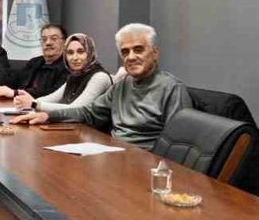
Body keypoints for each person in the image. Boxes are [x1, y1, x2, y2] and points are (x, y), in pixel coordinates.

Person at [12, 23, 191, 151]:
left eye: (138, 50)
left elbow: (177, 146)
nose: (131, 57)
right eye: (125, 52)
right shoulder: (121, 85)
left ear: (155, 53)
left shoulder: (172, 88)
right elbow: (88, 112)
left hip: (145, 161)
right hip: (113, 153)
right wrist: (48, 116)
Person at [14, 33, 113, 113]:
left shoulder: (100, 77)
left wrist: (34, 104)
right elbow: (53, 97)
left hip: (94, 131)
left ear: (90, 53)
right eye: (70, 53)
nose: (75, 57)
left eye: (80, 51)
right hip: (75, 126)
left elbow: (76, 109)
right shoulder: (75, 76)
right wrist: (26, 100)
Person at [0, 24, 69, 100]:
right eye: (44, 39)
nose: (48, 43)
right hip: (20, 103)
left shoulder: (67, 66)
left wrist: (16, 93)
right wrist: (0, 82)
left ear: (65, 42)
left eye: (54, 38)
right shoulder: (35, 62)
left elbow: (54, 94)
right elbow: (15, 79)